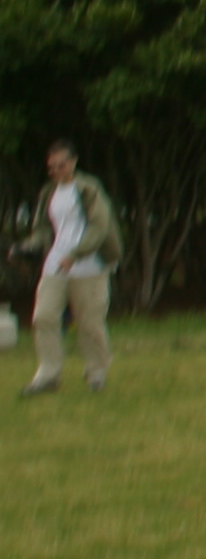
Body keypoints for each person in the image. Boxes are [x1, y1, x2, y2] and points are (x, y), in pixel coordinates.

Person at [16, 142, 122, 398]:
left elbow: (100, 226)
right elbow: (43, 229)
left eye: (60, 165)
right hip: (56, 264)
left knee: (90, 322)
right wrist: (26, 246)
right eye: (51, 167)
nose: (55, 171)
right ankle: (48, 374)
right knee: (44, 316)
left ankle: (96, 372)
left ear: (73, 162)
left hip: (89, 266)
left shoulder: (88, 188)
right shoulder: (49, 193)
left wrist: (76, 254)